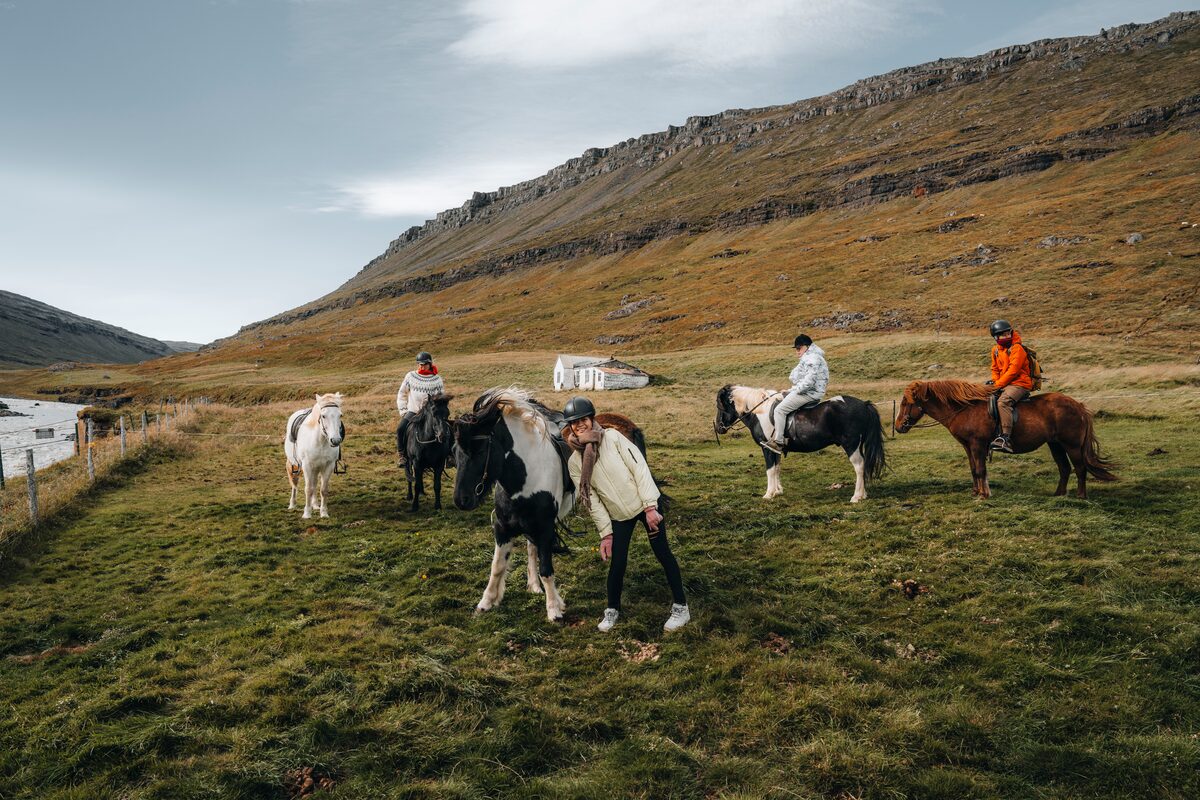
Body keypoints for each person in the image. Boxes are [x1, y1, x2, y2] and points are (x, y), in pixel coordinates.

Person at [562, 396, 689, 633]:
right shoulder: (574, 462)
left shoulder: (612, 438)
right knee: (617, 563)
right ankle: (611, 610)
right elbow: (592, 500)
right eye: (574, 422)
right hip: (619, 516)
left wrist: (651, 507)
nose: (579, 425)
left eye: (583, 419)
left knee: (663, 553)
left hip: (644, 505)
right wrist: (606, 534)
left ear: (591, 418)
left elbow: (639, 468)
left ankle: (681, 607)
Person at [763, 334, 829, 454]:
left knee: (779, 410)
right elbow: (797, 378)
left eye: (799, 348)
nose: (797, 352)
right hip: (809, 391)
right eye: (796, 349)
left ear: (807, 347)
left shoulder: (811, 359)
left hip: (809, 393)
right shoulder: (810, 357)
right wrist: (790, 389)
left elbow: (808, 382)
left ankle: (778, 442)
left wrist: (793, 391)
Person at [986, 320, 1033, 453]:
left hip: (1020, 384)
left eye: (1008, 334)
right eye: (1003, 335)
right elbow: (994, 369)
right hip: (1004, 383)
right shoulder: (995, 350)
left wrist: (998, 384)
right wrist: (996, 383)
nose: (1007, 337)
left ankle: (1005, 438)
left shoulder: (1017, 348)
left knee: (1003, 402)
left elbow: (1014, 370)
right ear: (996, 337)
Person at [396, 351, 445, 467]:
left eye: (424, 364)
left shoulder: (437, 379)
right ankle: (402, 455)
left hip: (432, 413)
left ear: (429, 364)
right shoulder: (410, 376)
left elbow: (441, 397)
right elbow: (402, 393)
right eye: (419, 364)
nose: (422, 366)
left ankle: (448, 455)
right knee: (400, 429)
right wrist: (403, 410)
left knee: (446, 429)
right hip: (413, 412)